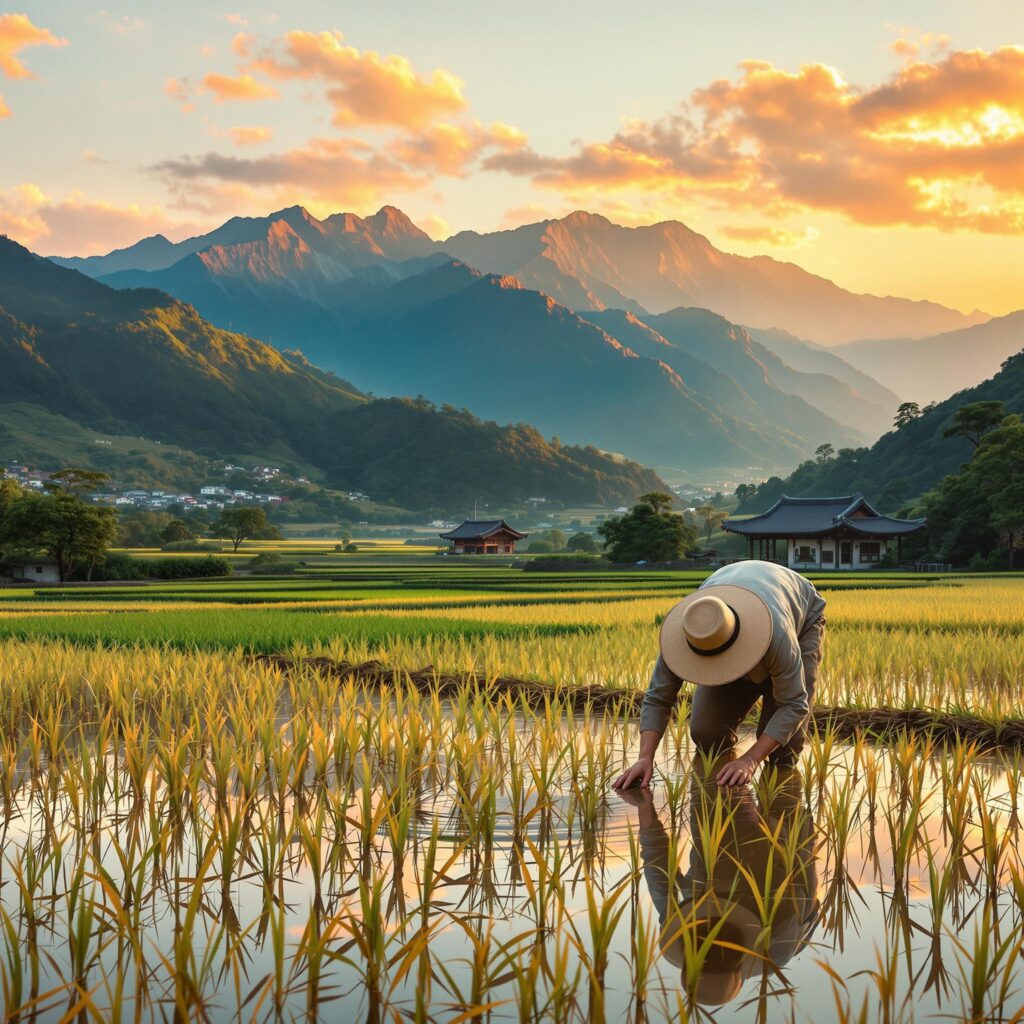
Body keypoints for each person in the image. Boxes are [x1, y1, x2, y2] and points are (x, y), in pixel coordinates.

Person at [612, 560, 826, 790]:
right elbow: (658, 697)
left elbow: (794, 704)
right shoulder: (687, 634)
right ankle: (725, 792)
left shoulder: (779, 636)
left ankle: (779, 810)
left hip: (798, 614)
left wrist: (750, 760)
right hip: (734, 591)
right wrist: (645, 757)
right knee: (708, 732)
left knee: (784, 749)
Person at [617, 766, 819, 1006]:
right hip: (782, 870)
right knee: (782, 768)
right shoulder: (780, 932)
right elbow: (804, 870)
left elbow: (656, 861)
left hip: (766, 861)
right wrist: (794, 818)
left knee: (714, 776)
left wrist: (641, 801)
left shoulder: (679, 923)